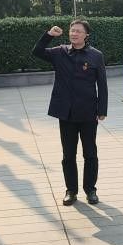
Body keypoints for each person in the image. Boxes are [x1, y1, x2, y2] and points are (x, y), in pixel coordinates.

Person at [32, 20, 108, 206]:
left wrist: (102, 110)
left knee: (90, 153)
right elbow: (37, 51)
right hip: (66, 113)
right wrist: (49, 35)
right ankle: (71, 191)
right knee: (68, 155)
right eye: (72, 31)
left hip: (88, 112)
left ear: (86, 35)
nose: (74, 34)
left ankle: (90, 190)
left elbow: (102, 85)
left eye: (78, 31)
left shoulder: (96, 55)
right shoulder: (60, 52)